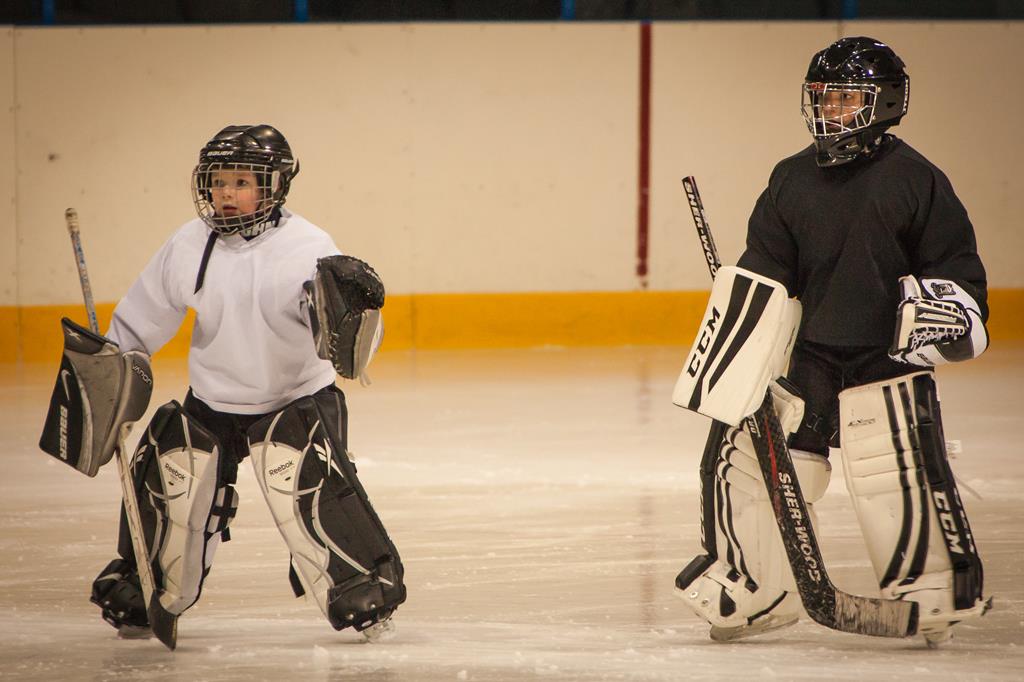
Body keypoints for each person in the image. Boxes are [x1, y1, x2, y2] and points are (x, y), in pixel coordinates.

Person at [673, 37, 990, 646]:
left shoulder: (917, 180)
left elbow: (957, 271)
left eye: (846, 98)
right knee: (751, 462)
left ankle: (930, 591)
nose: (831, 111)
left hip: (883, 356)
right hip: (811, 354)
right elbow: (766, 270)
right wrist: (742, 340)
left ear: (887, 102)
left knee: (897, 471)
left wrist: (947, 313)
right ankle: (756, 587)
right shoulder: (790, 179)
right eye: (822, 98)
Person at [82, 124, 406, 643]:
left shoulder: (307, 245)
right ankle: (148, 583)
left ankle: (361, 582)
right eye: (219, 182)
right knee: (173, 482)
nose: (227, 195)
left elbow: (340, 337)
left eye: (241, 182)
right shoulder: (188, 244)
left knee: (310, 490)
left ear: (273, 185)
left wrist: (354, 318)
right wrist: (110, 364)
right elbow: (143, 319)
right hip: (212, 400)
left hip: (296, 400)